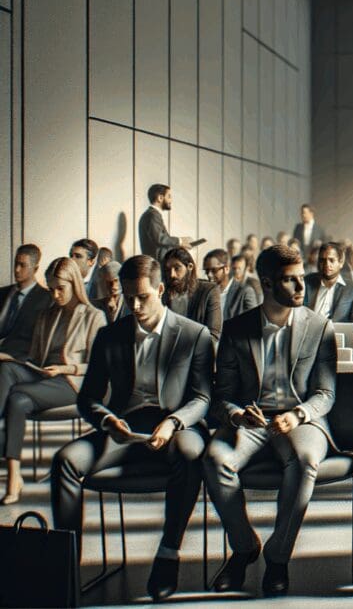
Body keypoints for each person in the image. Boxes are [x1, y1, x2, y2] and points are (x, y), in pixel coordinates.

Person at [52, 254, 213, 601]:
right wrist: (108, 421)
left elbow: (202, 398)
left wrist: (172, 423)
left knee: (191, 452)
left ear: (160, 290)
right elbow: (89, 399)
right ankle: (64, 570)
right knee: (65, 460)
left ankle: (169, 553)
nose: (135, 306)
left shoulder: (193, 334)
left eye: (143, 297)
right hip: (123, 426)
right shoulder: (110, 335)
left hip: (176, 423)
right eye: (129, 298)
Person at [204, 245, 338, 597]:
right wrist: (236, 414)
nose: (300, 286)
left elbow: (326, 394)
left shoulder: (320, 326)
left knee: (306, 461)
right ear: (266, 282)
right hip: (252, 420)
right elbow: (223, 396)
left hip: (302, 420)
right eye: (289, 280)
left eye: (300, 278)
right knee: (215, 459)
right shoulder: (237, 329)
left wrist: (297, 415)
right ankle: (245, 546)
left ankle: (278, 558)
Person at [0, 257, 106, 504]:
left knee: (18, 399)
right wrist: (13, 358)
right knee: (5, 370)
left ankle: (13, 476)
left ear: (75, 284)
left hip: (71, 382)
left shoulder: (94, 316)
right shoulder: (46, 315)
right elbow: (35, 357)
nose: (56, 294)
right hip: (42, 374)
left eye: (61, 288)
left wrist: (65, 368)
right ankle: (13, 475)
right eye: (51, 289)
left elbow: (100, 367)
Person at [0, 245, 53, 361]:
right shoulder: (3, 293)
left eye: (22, 265)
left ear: (35, 269)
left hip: (18, 359)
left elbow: (39, 342)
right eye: (16, 264)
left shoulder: (47, 299)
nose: (17, 270)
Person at [163, 248, 223, 342]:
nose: (172, 274)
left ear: (190, 267)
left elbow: (213, 335)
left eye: (177, 268)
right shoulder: (163, 294)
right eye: (167, 270)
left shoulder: (209, 291)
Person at [304, 242, 353, 329]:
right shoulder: (306, 282)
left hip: (337, 339)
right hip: (308, 336)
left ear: (341, 262)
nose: (327, 264)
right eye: (323, 260)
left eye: (331, 260)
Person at [139, 184, 193, 262]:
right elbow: (159, 239)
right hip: (157, 264)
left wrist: (180, 246)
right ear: (160, 198)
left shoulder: (152, 214)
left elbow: (160, 242)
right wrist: (180, 241)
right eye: (169, 196)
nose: (171, 200)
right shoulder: (152, 215)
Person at [205, 249, 260, 322]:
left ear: (227, 269)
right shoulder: (207, 292)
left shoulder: (245, 291)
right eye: (207, 271)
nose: (209, 275)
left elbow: (254, 321)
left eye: (214, 270)